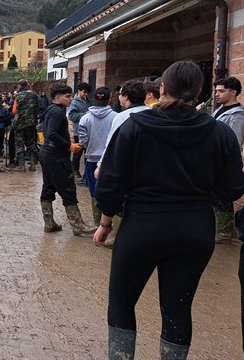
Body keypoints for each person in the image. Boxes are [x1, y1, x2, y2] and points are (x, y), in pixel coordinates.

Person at [93, 61, 244, 359]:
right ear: (199, 92)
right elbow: (232, 189)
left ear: (162, 90)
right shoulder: (220, 133)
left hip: (141, 226)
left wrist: (106, 222)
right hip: (194, 230)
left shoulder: (134, 127)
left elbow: (110, 182)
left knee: (122, 303)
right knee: (178, 307)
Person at [94, 80, 148, 248]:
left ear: (125, 97)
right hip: (147, 170)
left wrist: (101, 166)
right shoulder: (153, 113)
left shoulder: (123, 117)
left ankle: (116, 234)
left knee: (121, 200)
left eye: (120, 95)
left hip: (127, 166)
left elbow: (112, 145)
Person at [38, 84, 96, 236]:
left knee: (48, 186)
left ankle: (49, 223)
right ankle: (78, 226)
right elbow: (51, 133)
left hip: (47, 153)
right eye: (68, 96)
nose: (71, 99)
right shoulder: (57, 112)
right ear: (58, 97)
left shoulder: (52, 109)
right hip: (56, 155)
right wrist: (69, 146)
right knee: (68, 187)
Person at [210, 76, 244, 243]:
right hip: (214, 160)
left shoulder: (237, 115)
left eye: (221, 91)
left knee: (223, 195)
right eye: (216, 91)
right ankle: (218, 228)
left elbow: (235, 142)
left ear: (233, 92)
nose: (216, 94)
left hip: (225, 161)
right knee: (214, 195)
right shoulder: (219, 110)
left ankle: (225, 232)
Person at [76, 87, 116, 226]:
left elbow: (83, 140)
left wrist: (90, 147)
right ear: (109, 99)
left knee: (94, 191)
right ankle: (110, 225)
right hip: (111, 160)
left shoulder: (85, 118)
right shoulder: (116, 117)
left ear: (93, 99)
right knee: (112, 190)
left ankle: (97, 222)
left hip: (92, 159)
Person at [12, 80, 40, 172]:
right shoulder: (34, 94)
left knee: (19, 144)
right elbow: (39, 107)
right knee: (31, 144)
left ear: (20, 86)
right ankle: (32, 165)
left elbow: (14, 111)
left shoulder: (17, 96)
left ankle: (21, 166)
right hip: (32, 123)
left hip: (20, 123)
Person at [67, 82, 92, 182]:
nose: (85, 94)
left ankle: (87, 173)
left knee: (88, 153)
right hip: (79, 131)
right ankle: (75, 171)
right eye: (84, 92)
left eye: (87, 93)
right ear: (79, 91)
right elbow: (71, 116)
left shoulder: (89, 101)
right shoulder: (74, 102)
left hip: (89, 130)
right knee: (78, 152)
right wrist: (84, 115)